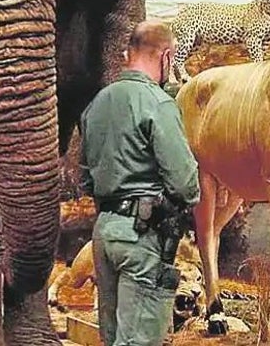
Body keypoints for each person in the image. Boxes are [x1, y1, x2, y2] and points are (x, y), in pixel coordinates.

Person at [79, 19, 201, 346]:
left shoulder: (96, 105)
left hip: (104, 233)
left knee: (114, 337)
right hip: (142, 237)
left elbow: (85, 178)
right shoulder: (158, 103)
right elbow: (186, 183)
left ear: (127, 54)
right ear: (167, 57)